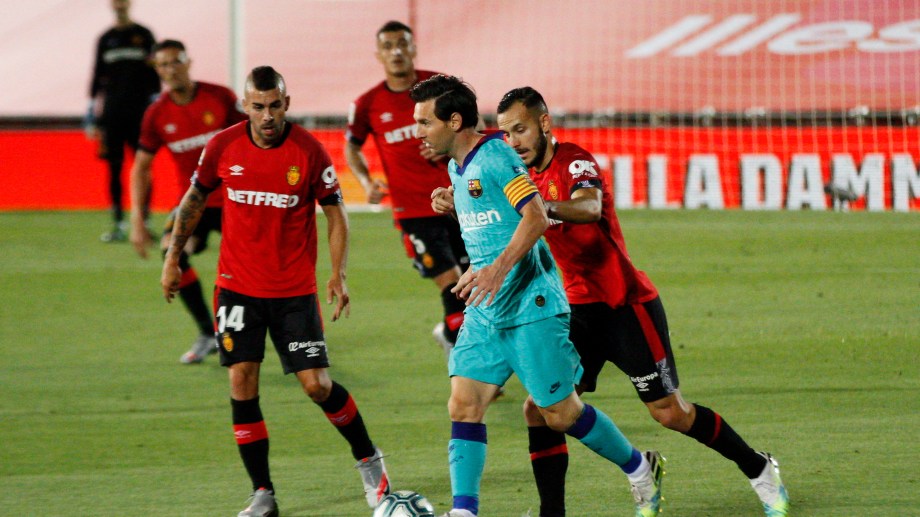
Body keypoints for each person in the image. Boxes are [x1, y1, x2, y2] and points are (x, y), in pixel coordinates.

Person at [495, 87, 789, 517]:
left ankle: (758, 467)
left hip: (625, 306)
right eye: (506, 134)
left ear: (544, 123)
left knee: (670, 413)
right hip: (576, 311)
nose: (513, 141)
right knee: (542, 409)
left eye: (520, 129)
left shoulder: (574, 161)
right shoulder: (519, 176)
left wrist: (539, 209)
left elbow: (589, 207)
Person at [416, 75, 663, 517]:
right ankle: (463, 511)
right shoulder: (457, 166)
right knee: (464, 405)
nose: (418, 131)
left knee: (561, 414)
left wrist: (495, 270)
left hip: (531, 305)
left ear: (453, 121)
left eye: (424, 122)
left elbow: (534, 217)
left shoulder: (496, 157)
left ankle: (639, 467)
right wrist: (456, 206)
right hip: (486, 308)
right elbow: (495, 220)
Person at [161, 66, 390, 516]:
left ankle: (369, 458)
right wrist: (172, 258)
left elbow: (336, 213)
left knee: (317, 386)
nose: (267, 115)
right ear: (245, 106)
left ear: (287, 104)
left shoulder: (308, 152)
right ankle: (262, 493)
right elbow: (194, 198)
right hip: (237, 290)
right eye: (258, 106)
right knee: (241, 381)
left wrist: (338, 273)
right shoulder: (222, 146)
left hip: (292, 292)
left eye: (275, 106)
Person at [345, 20, 468, 354]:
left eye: (402, 43)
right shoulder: (368, 103)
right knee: (452, 282)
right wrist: (366, 181)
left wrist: (448, 144)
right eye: (388, 46)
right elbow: (351, 147)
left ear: (414, 48)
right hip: (413, 211)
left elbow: (474, 127)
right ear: (378, 54)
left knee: (471, 283)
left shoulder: (442, 88)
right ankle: (463, 359)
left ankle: (451, 335)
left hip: (458, 201)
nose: (396, 51)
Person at [128, 39, 247, 364]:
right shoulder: (156, 114)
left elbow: (251, 137)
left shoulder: (220, 97)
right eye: (163, 65)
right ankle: (209, 333)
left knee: (256, 265)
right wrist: (138, 219)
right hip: (194, 202)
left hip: (235, 198)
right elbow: (141, 167)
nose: (171, 70)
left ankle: (286, 329)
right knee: (172, 251)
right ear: (157, 70)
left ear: (188, 62)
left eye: (175, 62)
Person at [87, 0, 161, 242]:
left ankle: (144, 222)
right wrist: (92, 110)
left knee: (143, 167)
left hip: (140, 114)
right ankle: (118, 223)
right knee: (114, 168)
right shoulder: (105, 39)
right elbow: (97, 75)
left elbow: (155, 73)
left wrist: (157, 105)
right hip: (112, 114)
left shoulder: (144, 35)